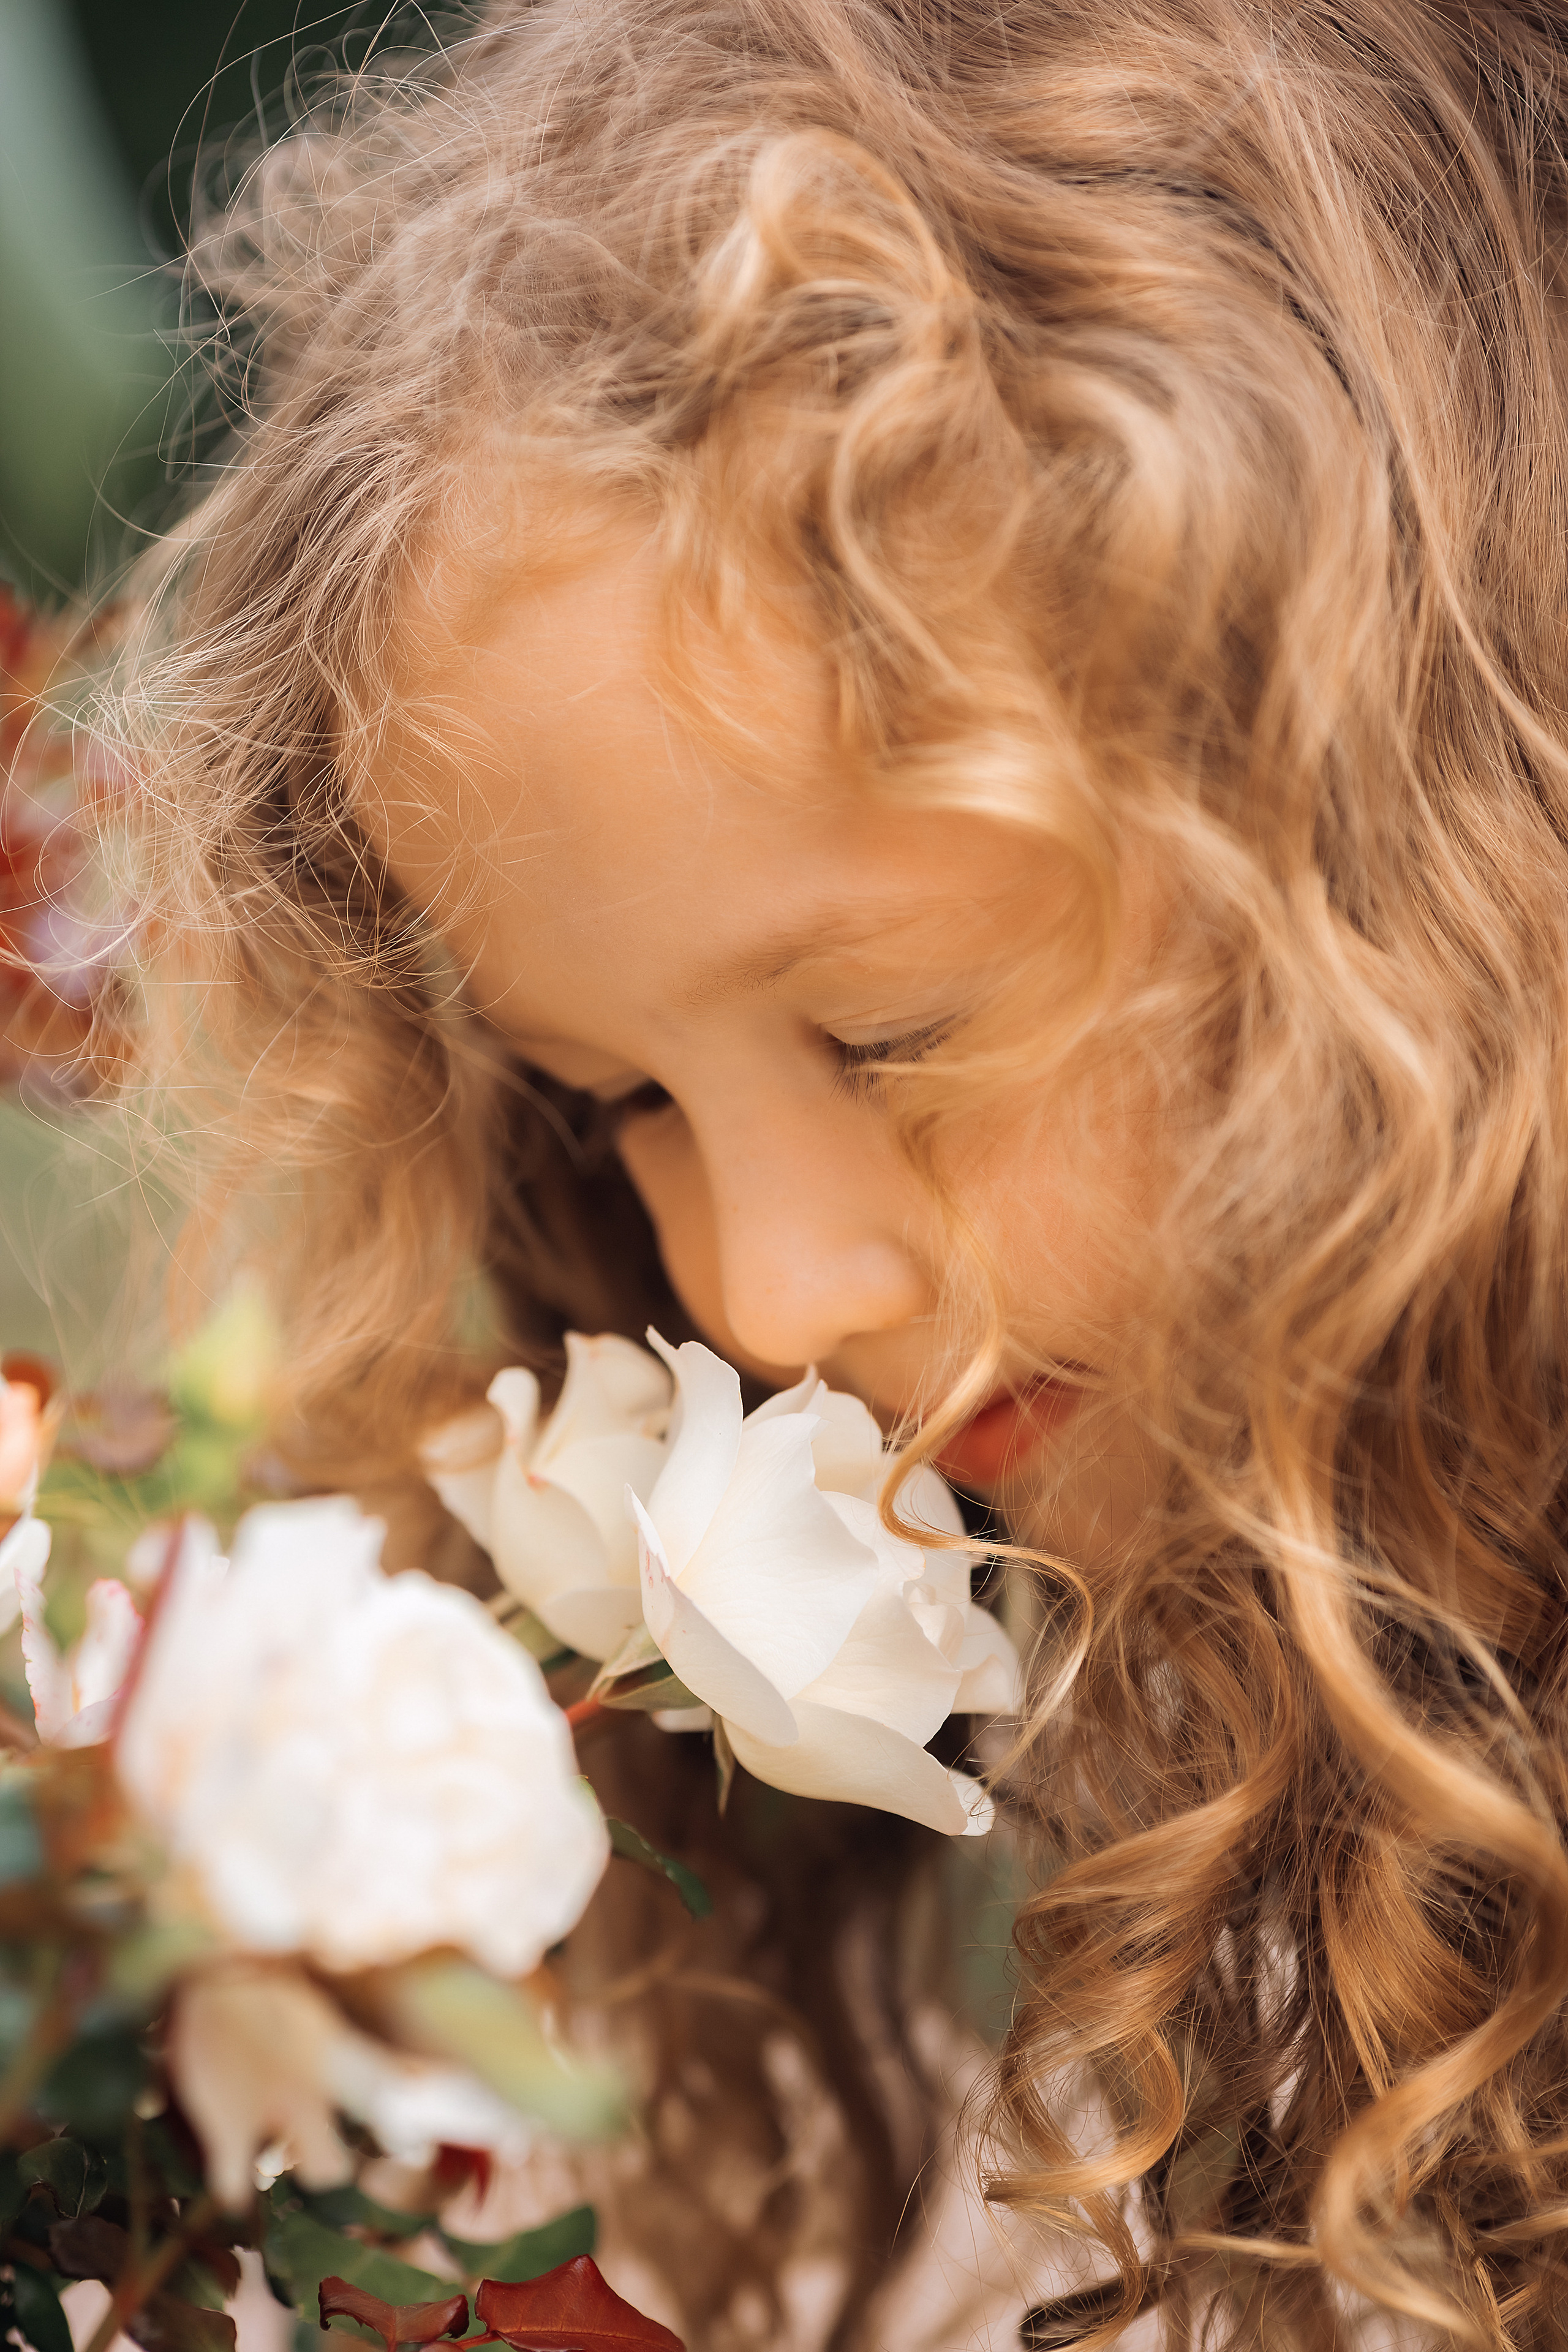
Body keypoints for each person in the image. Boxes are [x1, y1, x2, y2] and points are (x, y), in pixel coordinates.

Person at [46, 0, 1568, 2342]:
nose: (760, 1295)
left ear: (1389, 853)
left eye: (895, 1038)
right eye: (614, 1098)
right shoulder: (1222, 1835)